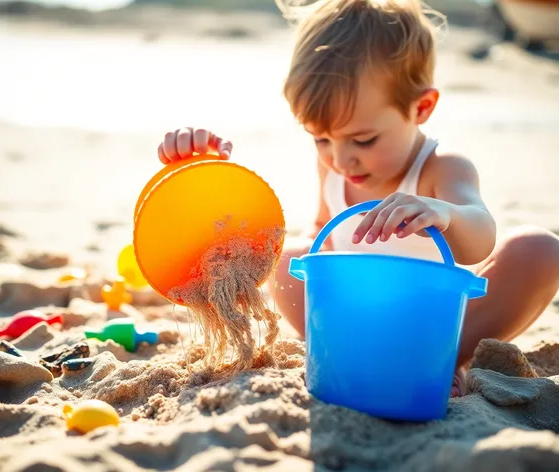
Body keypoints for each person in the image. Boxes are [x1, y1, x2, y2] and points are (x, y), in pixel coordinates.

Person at [156, 0, 559, 397]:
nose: (341, 158)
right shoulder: (333, 167)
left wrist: (443, 213)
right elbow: (321, 234)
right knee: (284, 257)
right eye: (321, 138)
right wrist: (198, 170)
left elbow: (481, 239)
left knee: (540, 250)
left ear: (421, 108)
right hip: (357, 318)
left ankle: (446, 355)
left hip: (437, 320)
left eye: (363, 140)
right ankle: (342, 349)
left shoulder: (441, 168)